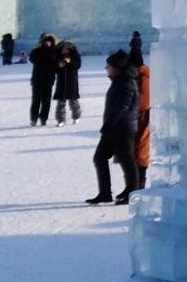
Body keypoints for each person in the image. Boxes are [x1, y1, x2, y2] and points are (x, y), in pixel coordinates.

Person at [86, 51, 141, 206]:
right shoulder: (119, 80)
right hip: (114, 127)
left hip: (122, 128)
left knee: (127, 160)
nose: (106, 68)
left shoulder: (126, 82)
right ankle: (105, 193)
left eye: (108, 66)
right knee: (100, 158)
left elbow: (122, 107)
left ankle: (132, 192)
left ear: (116, 67)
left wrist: (110, 124)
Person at [131, 46, 152, 188]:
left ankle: (139, 184)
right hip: (139, 117)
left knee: (140, 151)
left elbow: (142, 103)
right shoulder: (143, 76)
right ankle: (136, 183)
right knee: (138, 151)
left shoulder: (141, 78)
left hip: (141, 118)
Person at [28, 33, 59, 127]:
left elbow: (56, 65)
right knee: (36, 100)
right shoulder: (36, 51)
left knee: (46, 101)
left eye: (49, 41)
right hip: (37, 79)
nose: (47, 43)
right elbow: (33, 59)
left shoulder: (55, 52)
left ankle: (43, 118)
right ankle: (34, 119)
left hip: (48, 80)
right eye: (46, 41)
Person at [53, 40, 83, 126]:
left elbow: (77, 65)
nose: (64, 50)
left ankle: (76, 116)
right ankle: (60, 120)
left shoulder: (75, 56)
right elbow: (55, 69)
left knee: (73, 101)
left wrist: (70, 62)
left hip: (72, 81)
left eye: (66, 48)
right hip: (61, 82)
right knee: (60, 102)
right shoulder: (58, 56)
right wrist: (59, 66)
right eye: (63, 48)